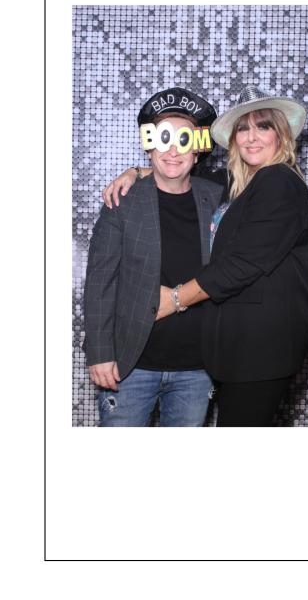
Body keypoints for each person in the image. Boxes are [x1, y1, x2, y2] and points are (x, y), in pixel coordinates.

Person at [152, 86, 308, 426]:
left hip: (261, 348)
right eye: (243, 128)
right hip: (239, 348)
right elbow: (183, 175)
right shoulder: (243, 184)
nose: (251, 137)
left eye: (263, 126)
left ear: (281, 135)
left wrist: (176, 299)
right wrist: (138, 172)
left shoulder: (279, 182)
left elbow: (242, 264)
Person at [83, 87, 220, 426]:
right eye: (162, 139)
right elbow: (100, 282)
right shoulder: (123, 201)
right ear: (148, 146)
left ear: (198, 151)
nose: (173, 150)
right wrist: (100, 353)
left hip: (197, 369)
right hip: (130, 366)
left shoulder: (218, 198)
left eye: (184, 141)